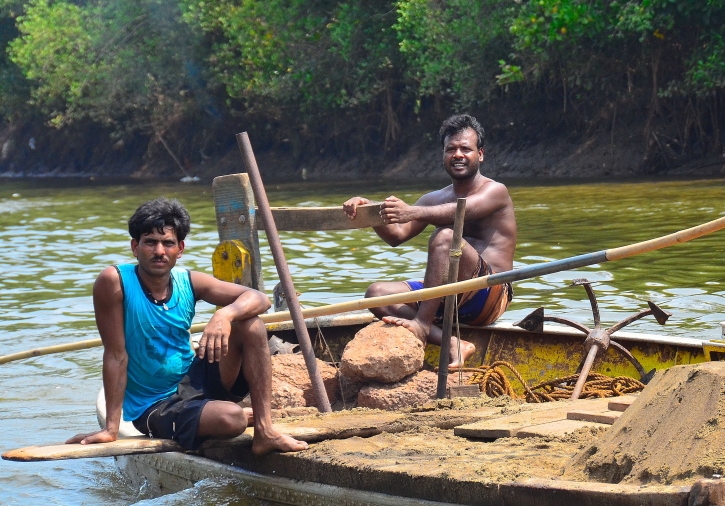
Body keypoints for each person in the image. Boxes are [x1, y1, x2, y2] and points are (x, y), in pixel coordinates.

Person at [67, 198, 307, 455]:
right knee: (232, 419)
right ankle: (214, 415)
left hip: (195, 381)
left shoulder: (188, 281)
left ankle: (265, 430)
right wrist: (111, 429)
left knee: (251, 325)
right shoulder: (114, 281)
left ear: (179, 249)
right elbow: (116, 355)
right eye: (150, 242)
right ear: (135, 247)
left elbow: (260, 299)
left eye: (168, 243)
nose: (159, 251)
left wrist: (224, 315)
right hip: (156, 406)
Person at [343, 114, 516, 367]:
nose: (458, 154)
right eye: (451, 149)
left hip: (488, 295)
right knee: (376, 294)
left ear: (480, 154)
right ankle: (453, 342)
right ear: (443, 155)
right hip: (449, 296)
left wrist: (410, 211)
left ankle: (422, 324)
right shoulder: (433, 198)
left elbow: (462, 211)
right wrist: (369, 209)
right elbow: (397, 236)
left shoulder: (495, 191)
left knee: (446, 236)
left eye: (465, 149)